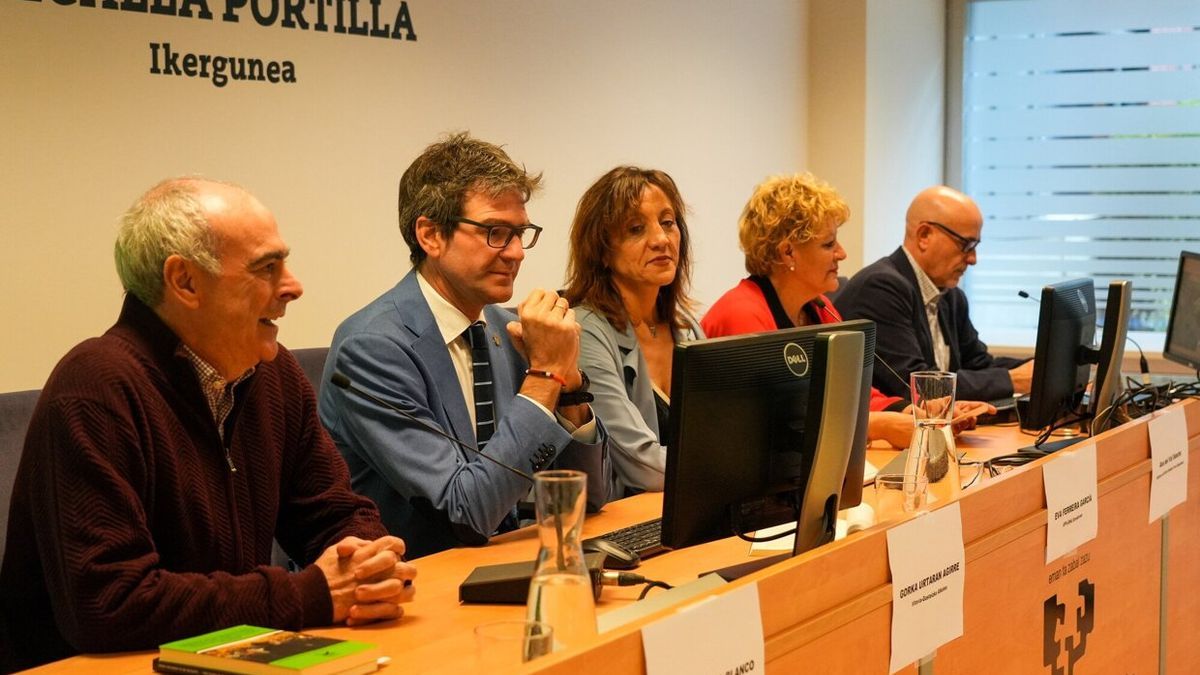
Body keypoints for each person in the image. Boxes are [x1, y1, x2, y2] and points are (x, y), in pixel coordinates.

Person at [0, 178, 416, 672]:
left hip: (228, 657)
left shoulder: (272, 374)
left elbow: (332, 512)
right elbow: (109, 603)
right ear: (186, 282)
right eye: (267, 267)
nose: (294, 286)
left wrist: (368, 558)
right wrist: (307, 595)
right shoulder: (94, 388)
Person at [319, 133, 611, 559]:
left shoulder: (508, 328)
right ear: (431, 235)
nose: (516, 253)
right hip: (417, 584)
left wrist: (567, 385)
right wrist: (543, 375)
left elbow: (590, 496)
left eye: (520, 233)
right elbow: (466, 512)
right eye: (495, 232)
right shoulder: (371, 349)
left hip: (505, 563)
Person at [703, 174, 991, 448]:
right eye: (829, 244)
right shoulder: (742, 315)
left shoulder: (821, 308)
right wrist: (880, 426)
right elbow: (775, 427)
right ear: (788, 252)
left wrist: (918, 411)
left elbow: (855, 394)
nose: (842, 253)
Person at [563, 166, 703, 494]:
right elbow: (641, 467)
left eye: (668, 223)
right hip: (623, 524)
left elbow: (718, 437)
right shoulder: (585, 330)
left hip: (683, 507)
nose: (661, 240)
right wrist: (727, 470)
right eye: (636, 229)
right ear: (602, 250)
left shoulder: (688, 328)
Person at [835, 185, 1033, 402]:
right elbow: (918, 387)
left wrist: (1043, 367)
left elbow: (979, 364)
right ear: (924, 235)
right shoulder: (881, 288)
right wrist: (1013, 380)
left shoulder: (952, 296)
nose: (973, 259)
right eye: (966, 244)